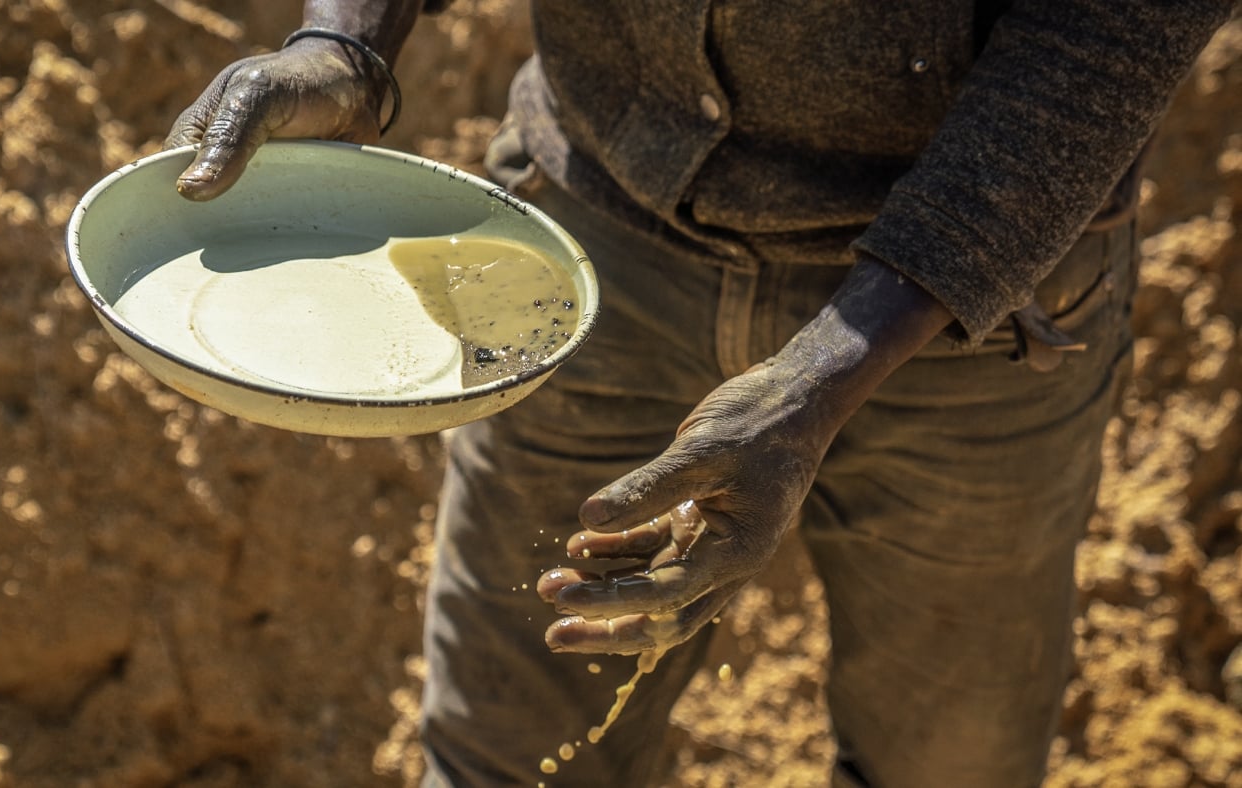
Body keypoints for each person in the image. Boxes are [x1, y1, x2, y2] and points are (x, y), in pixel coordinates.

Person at [164, 2, 1233, 785]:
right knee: (510, 749)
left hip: (969, 306)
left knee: (945, 761)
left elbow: (1104, 33)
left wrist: (821, 377)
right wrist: (344, 43)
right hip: (586, 250)